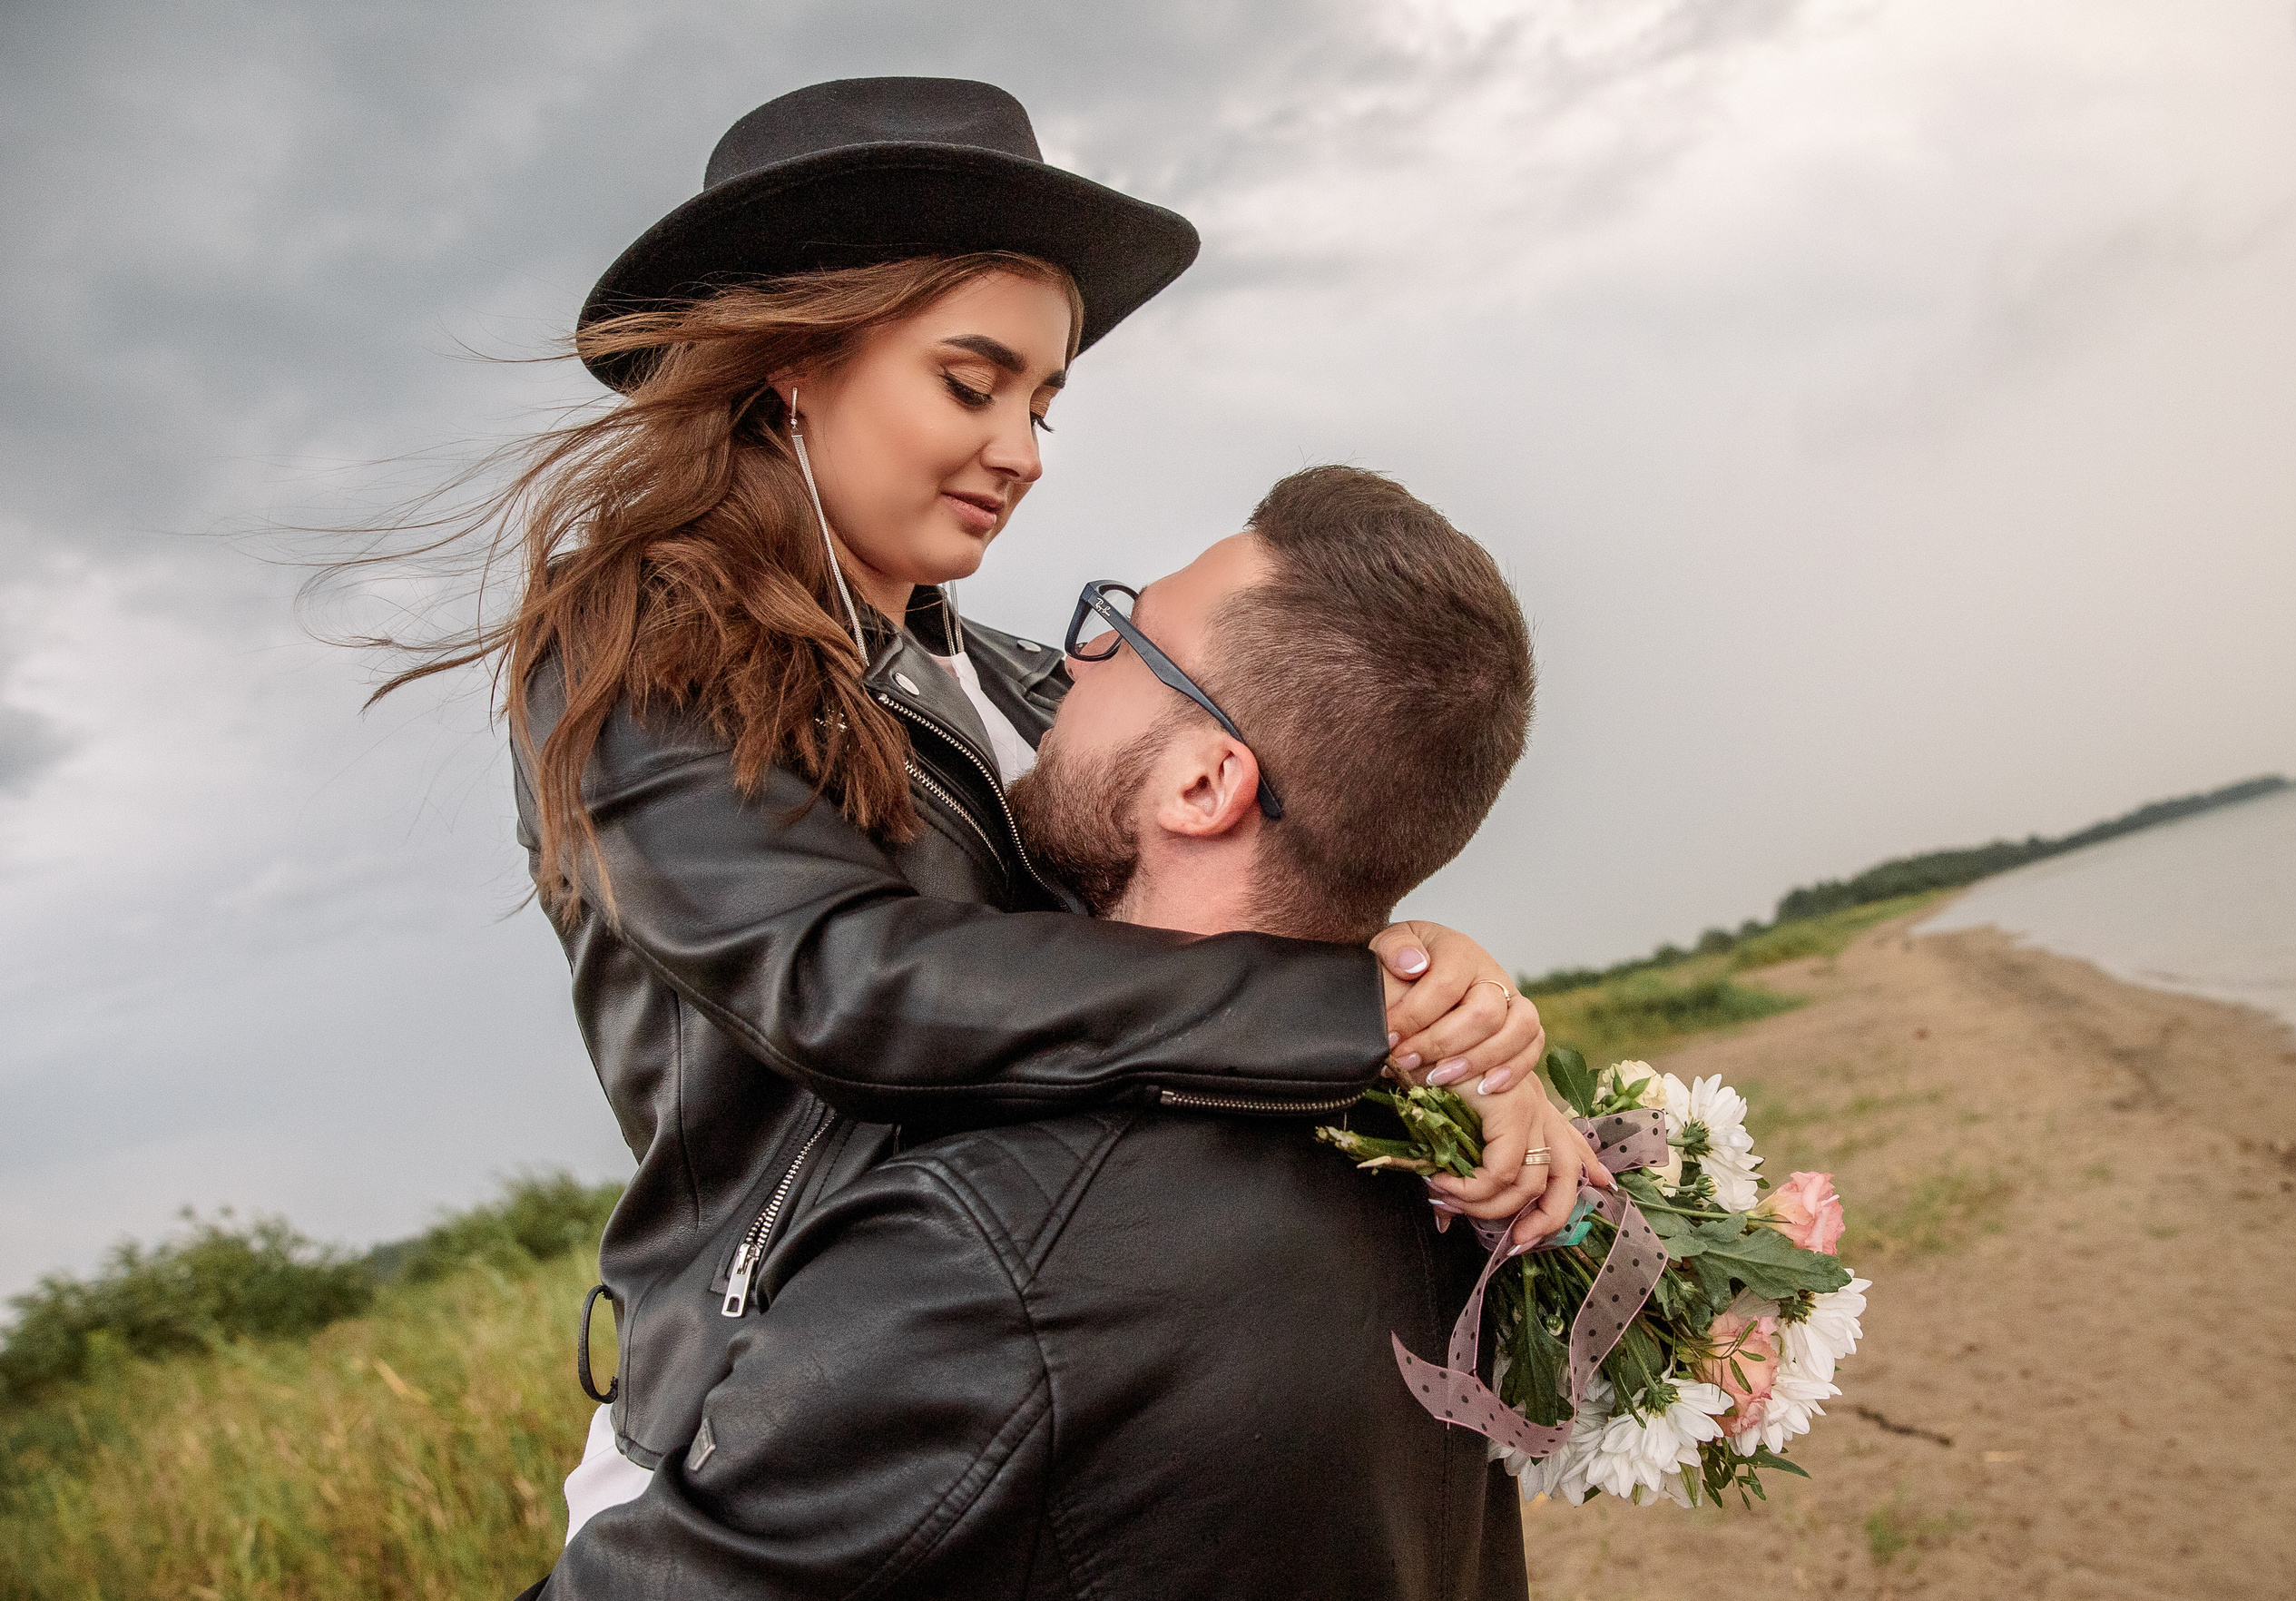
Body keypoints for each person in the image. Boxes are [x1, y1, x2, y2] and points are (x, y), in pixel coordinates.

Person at [354, 75, 1592, 1517]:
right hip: (786, 1417)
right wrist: (1342, 1015)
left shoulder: (1021, 679)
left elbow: (1219, 871)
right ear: (793, 366)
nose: (1024, 449)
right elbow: (844, 983)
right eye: (972, 381)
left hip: (1066, 1342)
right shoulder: (634, 657)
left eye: (1045, 398)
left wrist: (1442, 995)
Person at [543, 467, 1590, 1598]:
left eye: (1117, 634)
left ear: (1203, 784)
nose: (1063, 662)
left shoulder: (986, 1252)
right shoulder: (1426, 1159)